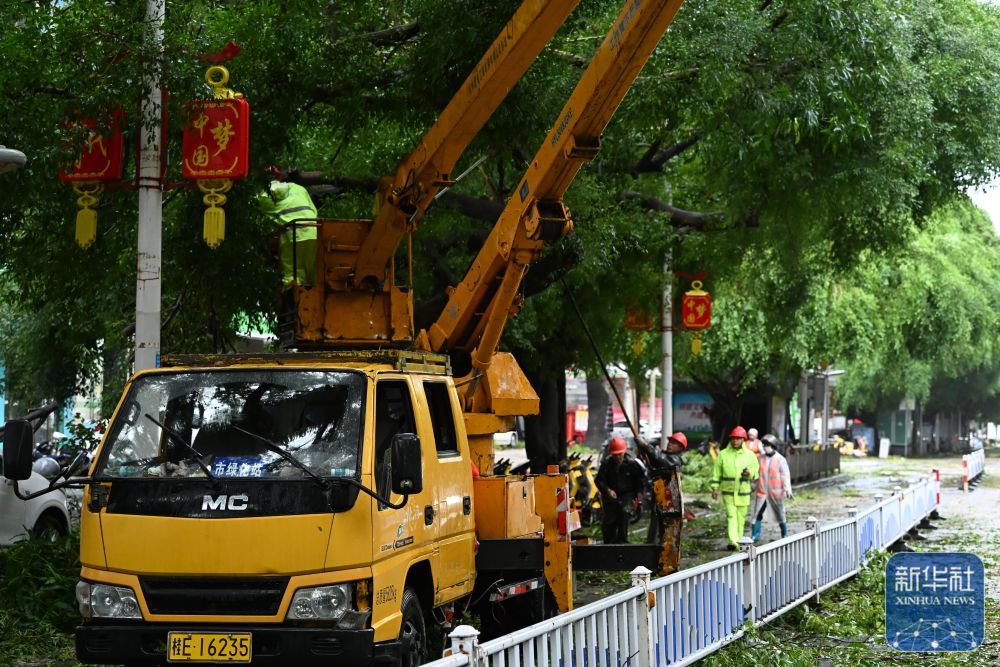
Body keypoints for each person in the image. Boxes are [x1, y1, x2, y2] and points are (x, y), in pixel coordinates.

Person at [258, 172, 319, 287]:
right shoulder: (299, 188)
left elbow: (265, 218)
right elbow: (314, 211)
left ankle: (294, 294)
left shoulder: (263, 196)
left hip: (292, 236)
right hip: (313, 232)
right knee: (315, 273)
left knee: (292, 275)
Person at [636, 432, 687, 558]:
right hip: (660, 499)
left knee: (664, 532)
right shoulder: (665, 456)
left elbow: (659, 459)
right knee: (655, 530)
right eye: (670, 442)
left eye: (674, 443)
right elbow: (654, 460)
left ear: (680, 448)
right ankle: (651, 556)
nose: (670, 444)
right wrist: (642, 448)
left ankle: (661, 558)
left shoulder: (675, 460)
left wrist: (646, 445)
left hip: (669, 503)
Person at [711, 426, 760, 551]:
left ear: (743, 440)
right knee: (731, 516)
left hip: (743, 492)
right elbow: (717, 472)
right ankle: (733, 541)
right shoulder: (723, 454)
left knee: (741, 518)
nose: (735, 441)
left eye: (738, 439)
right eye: (733, 438)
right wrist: (714, 488)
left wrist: (749, 473)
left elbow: (756, 472)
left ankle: (739, 540)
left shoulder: (749, 455)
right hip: (728, 492)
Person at [594, 435, 645, 544]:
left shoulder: (632, 464)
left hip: (627, 494)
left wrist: (639, 494)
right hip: (610, 496)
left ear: (624, 452)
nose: (617, 457)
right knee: (609, 520)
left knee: (624, 514)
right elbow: (599, 480)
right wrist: (608, 490)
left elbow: (639, 481)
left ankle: (622, 542)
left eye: (620, 454)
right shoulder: (607, 464)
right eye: (615, 455)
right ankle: (608, 544)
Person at [751, 434, 792, 541]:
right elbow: (756, 474)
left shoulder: (780, 459)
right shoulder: (760, 458)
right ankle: (755, 535)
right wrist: (752, 486)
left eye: (767, 445)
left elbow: (785, 475)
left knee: (780, 514)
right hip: (762, 492)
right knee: (757, 513)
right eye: (764, 445)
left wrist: (787, 489)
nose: (765, 447)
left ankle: (784, 534)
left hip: (776, 493)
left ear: (773, 446)